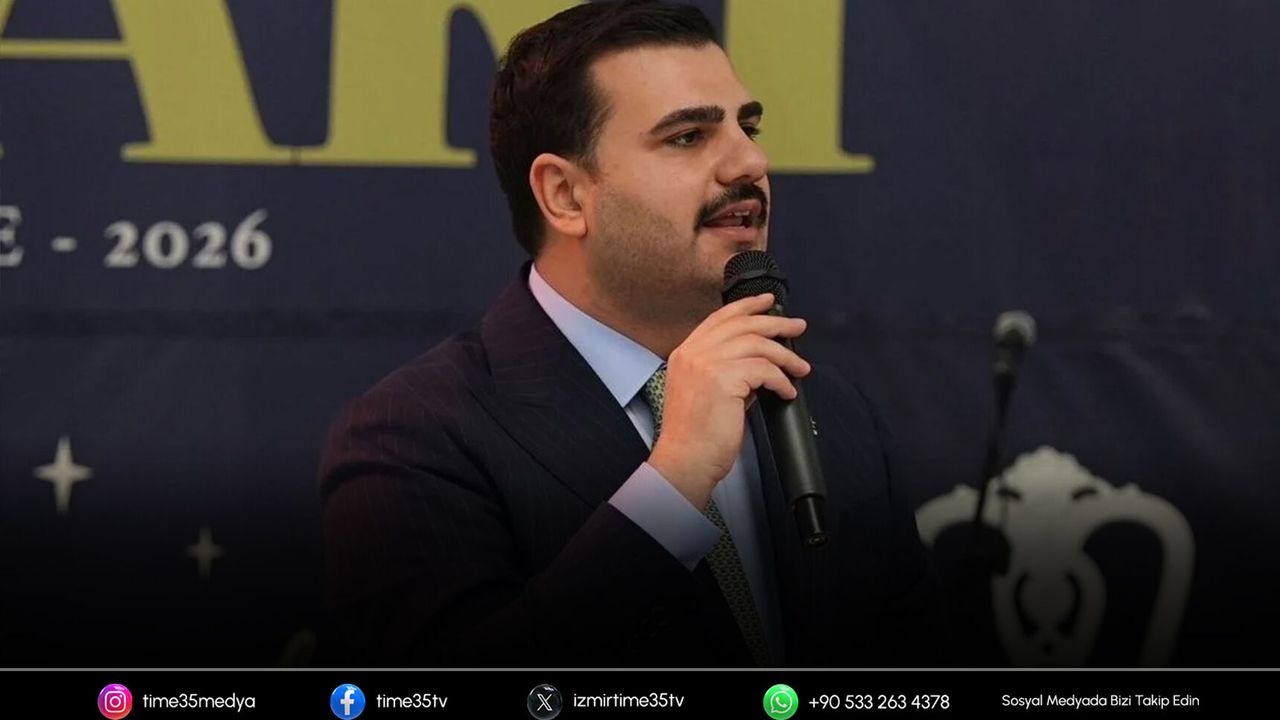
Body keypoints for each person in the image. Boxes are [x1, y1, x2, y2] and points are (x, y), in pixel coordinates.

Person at [320, 0, 942, 667]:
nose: (750, 161)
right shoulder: (415, 436)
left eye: (748, 126)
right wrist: (674, 482)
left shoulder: (836, 416)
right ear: (564, 195)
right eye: (688, 137)